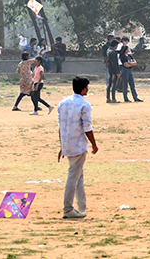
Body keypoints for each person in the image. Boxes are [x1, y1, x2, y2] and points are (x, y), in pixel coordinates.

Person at [57, 77, 98, 218]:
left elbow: (61, 126)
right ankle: (68, 209)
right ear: (83, 89)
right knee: (73, 176)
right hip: (78, 145)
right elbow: (87, 127)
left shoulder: (63, 103)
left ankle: (82, 206)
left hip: (68, 143)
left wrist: (62, 145)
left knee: (78, 175)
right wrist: (94, 143)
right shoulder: (84, 104)